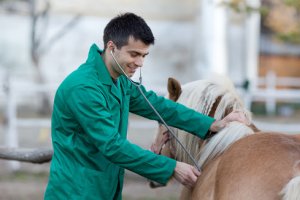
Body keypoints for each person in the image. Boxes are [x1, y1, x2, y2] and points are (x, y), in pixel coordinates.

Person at [44, 12, 249, 200]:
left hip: (105, 188)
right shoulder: (83, 88)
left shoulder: (120, 80)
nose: (140, 62)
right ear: (111, 47)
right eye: (134, 54)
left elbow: (159, 106)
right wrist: (171, 167)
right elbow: (112, 146)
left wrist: (211, 124)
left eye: (144, 55)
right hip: (75, 192)